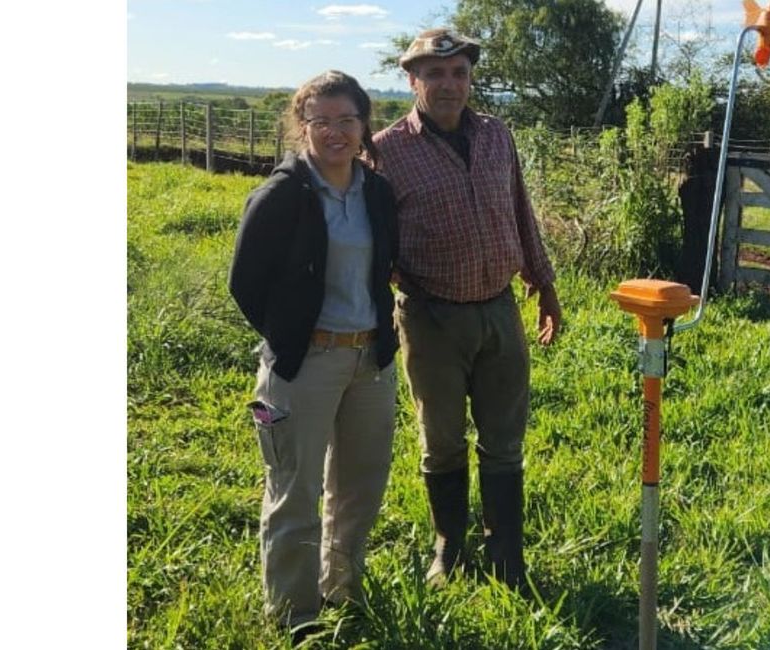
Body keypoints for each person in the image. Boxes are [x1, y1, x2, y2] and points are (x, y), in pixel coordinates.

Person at [372, 27, 562, 589]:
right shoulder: (384, 152)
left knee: (505, 440)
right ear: (412, 80)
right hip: (430, 318)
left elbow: (521, 211)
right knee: (443, 440)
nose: (449, 84)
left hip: (500, 311)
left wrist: (545, 285)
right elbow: (376, 245)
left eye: (459, 72)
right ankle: (448, 548)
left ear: (470, 77)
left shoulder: (497, 135)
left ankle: (506, 554)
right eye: (435, 73)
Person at [228, 70, 399, 643]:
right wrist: (292, 335)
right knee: (294, 490)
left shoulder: (375, 190)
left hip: (371, 361)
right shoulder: (282, 195)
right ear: (302, 127)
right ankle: (295, 616)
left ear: (363, 124)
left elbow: (382, 268)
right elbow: (245, 282)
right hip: (305, 365)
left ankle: (341, 591)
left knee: (359, 488)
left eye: (346, 120)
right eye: (320, 121)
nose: (335, 132)